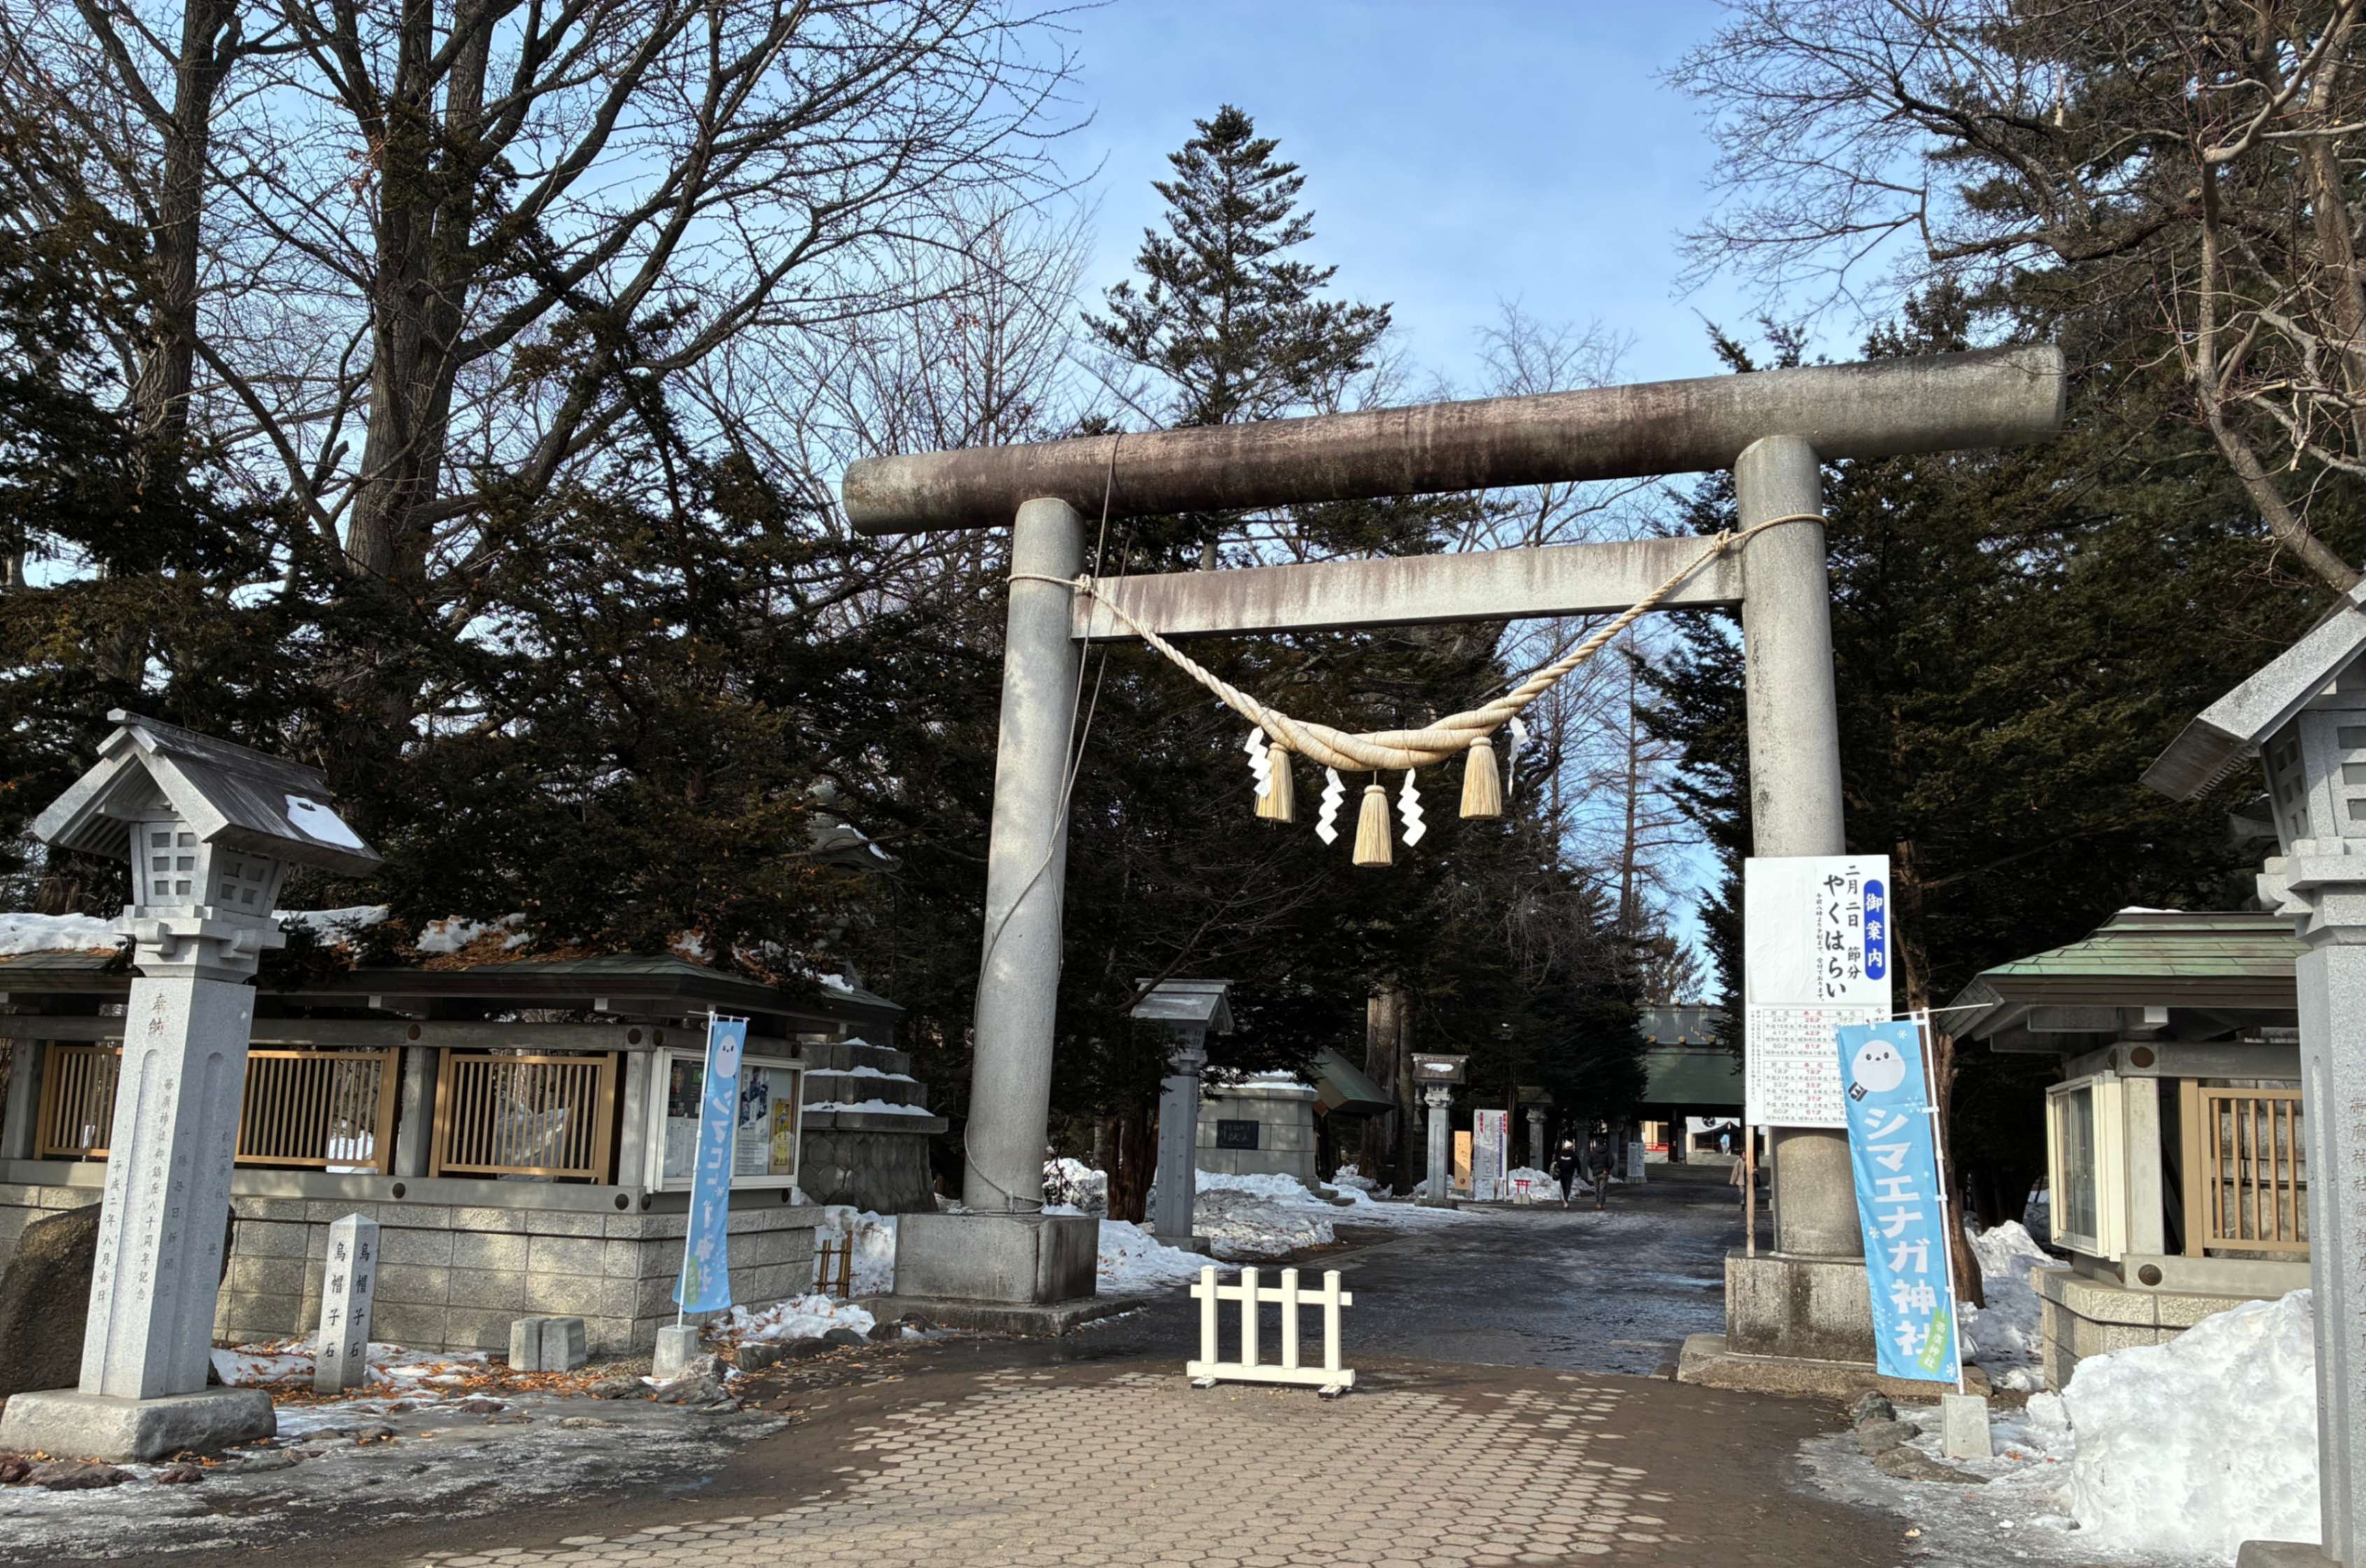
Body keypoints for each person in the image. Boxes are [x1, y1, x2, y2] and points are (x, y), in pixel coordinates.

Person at [1585, 1123, 1614, 1210]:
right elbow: (1611, 1162)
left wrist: (1593, 1168)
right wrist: (1608, 1169)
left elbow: (1589, 1162)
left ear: (1597, 1143)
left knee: (1597, 1189)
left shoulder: (1593, 1152)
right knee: (1603, 1189)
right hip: (1604, 1172)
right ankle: (1601, 1204)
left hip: (1595, 1172)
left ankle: (1598, 1202)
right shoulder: (1607, 1151)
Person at [1550, 1137, 1582, 1206]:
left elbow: (1558, 1162)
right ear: (1570, 1147)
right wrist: (1579, 1172)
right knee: (1568, 1186)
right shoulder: (1573, 1154)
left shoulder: (1561, 1153)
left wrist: (1557, 1169)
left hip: (1562, 1173)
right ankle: (1566, 1200)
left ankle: (1565, 1199)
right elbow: (1578, 1163)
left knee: (1564, 1186)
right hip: (1570, 1173)